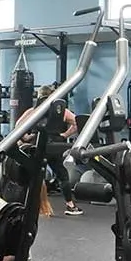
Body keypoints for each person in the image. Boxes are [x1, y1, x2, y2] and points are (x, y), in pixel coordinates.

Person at [25, 85, 82, 216]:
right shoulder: (61, 111)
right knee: (62, 175)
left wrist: (27, 137)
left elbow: (18, 125)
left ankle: (35, 207)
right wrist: (64, 135)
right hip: (55, 146)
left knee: (37, 176)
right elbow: (77, 123)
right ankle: (70, 205)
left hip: (39, 146)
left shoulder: (33, 111)